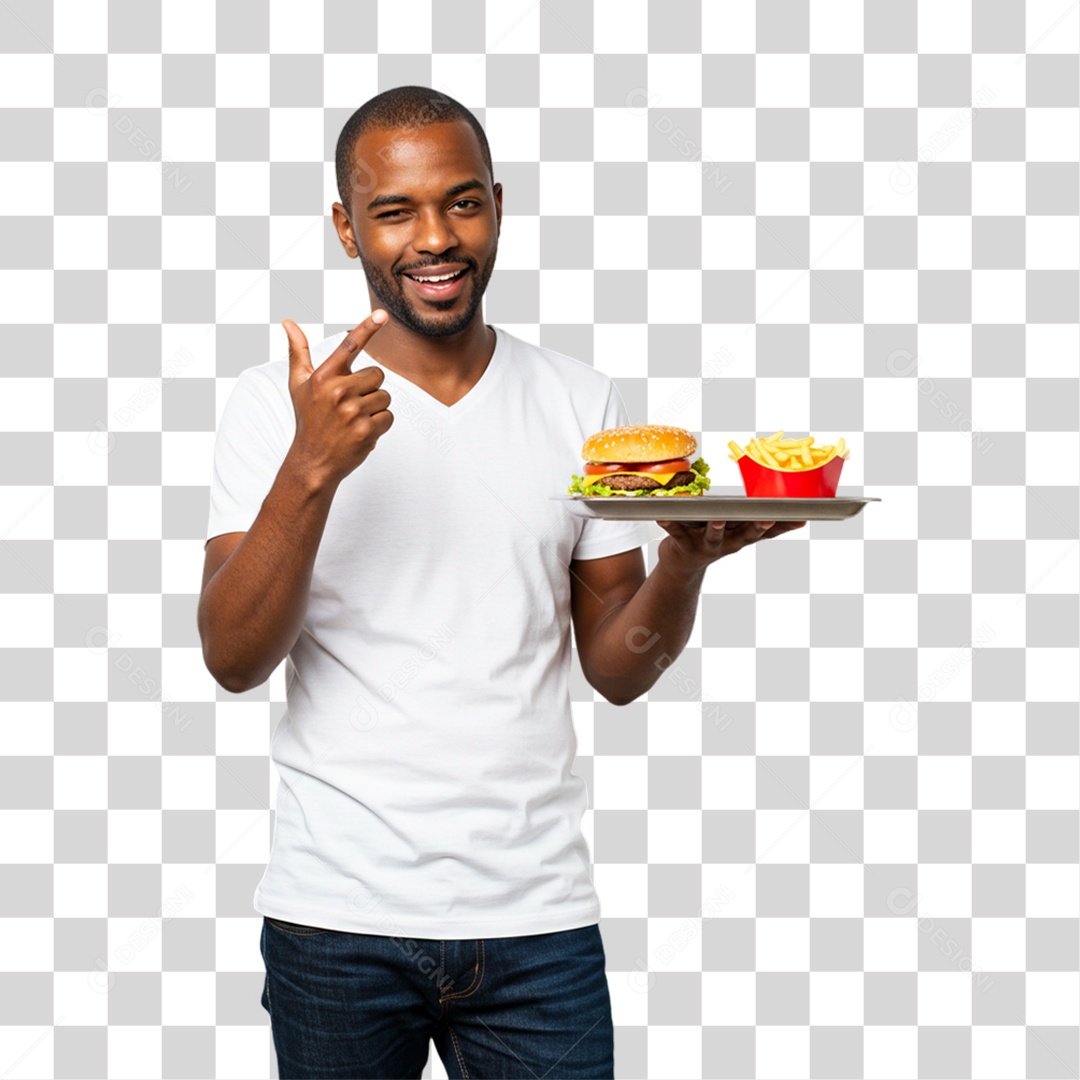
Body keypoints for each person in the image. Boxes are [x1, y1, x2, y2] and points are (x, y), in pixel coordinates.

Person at [198, 85, 805, 1080]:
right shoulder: (276, 409)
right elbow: (232, 657)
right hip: (336, 919)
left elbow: (616, 668)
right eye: (395, 212)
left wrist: (683, 562)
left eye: (463, 202)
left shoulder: (578, 399)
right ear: (348, 229)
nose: (436, 238)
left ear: (498, 206)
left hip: (537, 920)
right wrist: (310, 468)